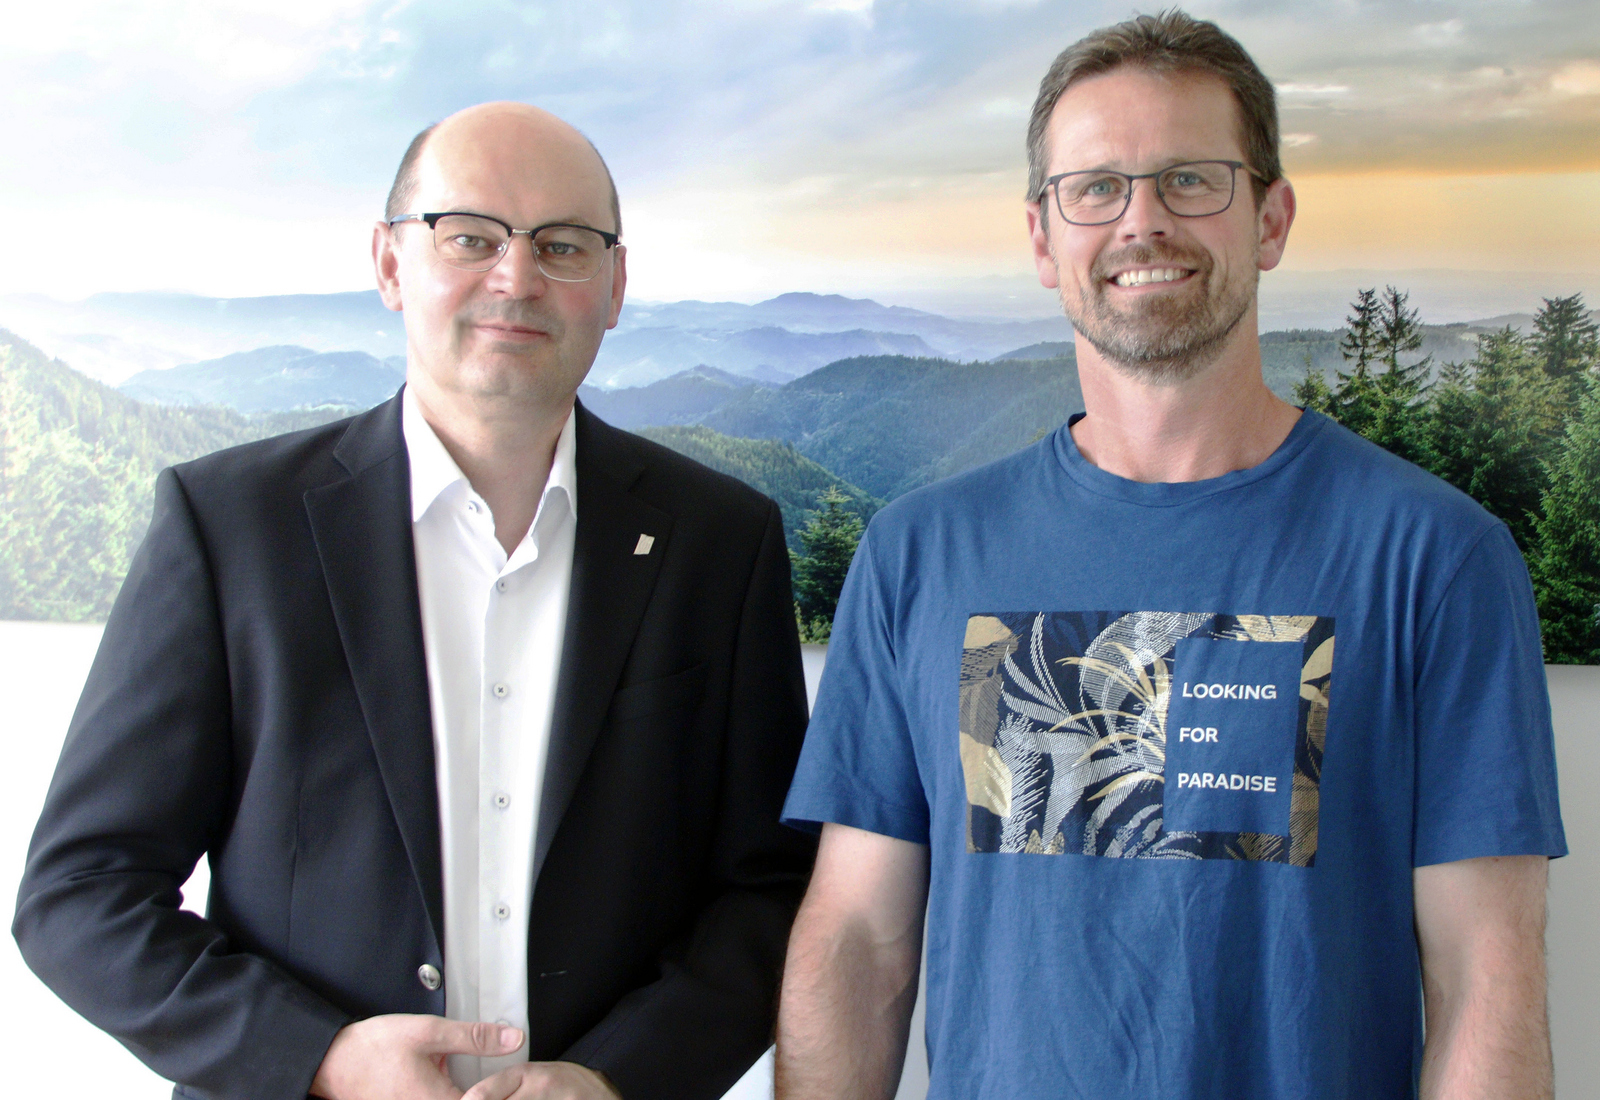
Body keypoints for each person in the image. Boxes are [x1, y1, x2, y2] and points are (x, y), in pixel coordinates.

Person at [775, 11, 1565, 1100]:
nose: (1141, 220)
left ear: (1270, 217)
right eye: (1094, 187)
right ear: (1044, 236)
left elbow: (1486, 973)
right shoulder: (919, 554)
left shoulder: (1433, 556)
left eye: (1190, 178)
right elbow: (857, 939)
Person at [15, 102, 816, 1100]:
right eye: (468, 236)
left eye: (563, 245)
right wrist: (319, 1057)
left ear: (613, 287)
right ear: (391, 265)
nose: (516, 278)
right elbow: (79, 893)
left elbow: (771, 886)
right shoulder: (230, 525)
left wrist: (619, 1077)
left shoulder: (719, 539)